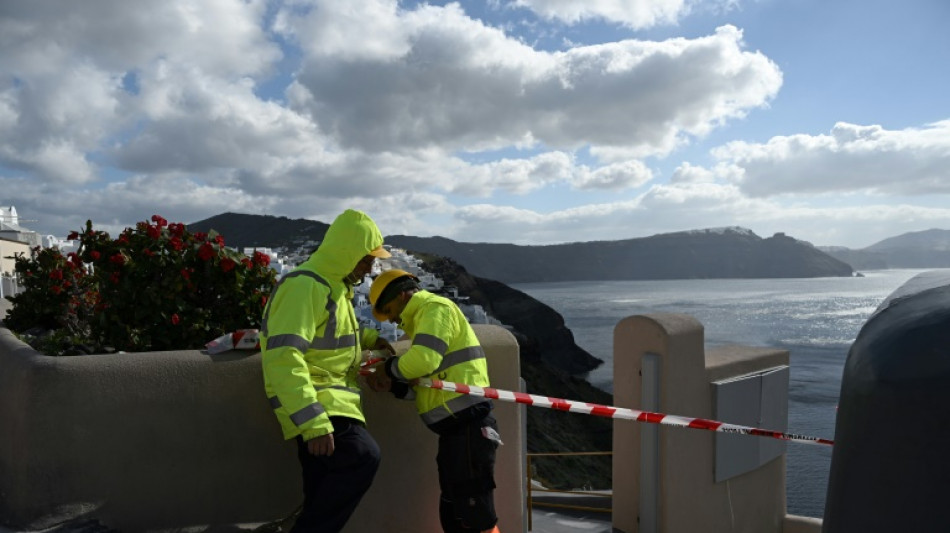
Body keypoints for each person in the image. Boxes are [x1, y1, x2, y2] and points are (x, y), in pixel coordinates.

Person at [260, 209, 395, 533]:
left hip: (327, 403)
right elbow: (284, 355)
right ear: (347, 253)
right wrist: (313, 421)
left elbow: (341, 336)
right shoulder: (305, 286)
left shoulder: (334, 289)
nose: (370, 268)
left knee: (319, 492)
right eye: (366, 259)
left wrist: (375, 340)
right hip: (320, 404)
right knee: (363, 456)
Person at [366, 269, 502, 533]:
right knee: (454, 512)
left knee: (475, 513)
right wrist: (394, 386)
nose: (392, 319)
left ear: (403, 295)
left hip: (469, 425)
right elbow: (428, 386)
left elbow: (425, 360)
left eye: (390, 309)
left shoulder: (434, 308)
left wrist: (387, 368)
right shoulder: (422, 323)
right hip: (455, 430)